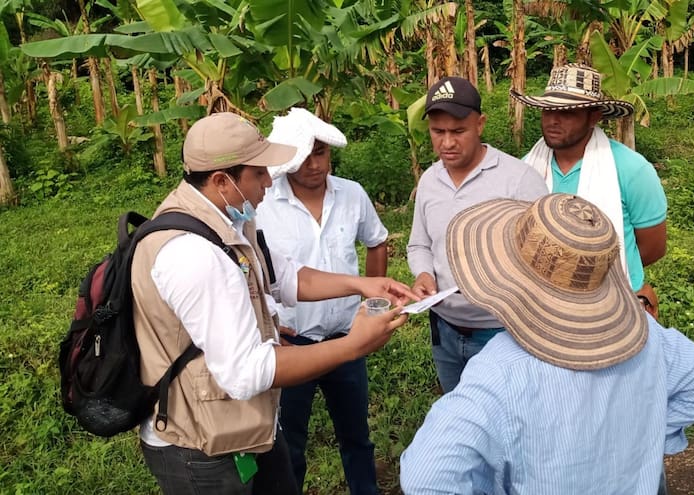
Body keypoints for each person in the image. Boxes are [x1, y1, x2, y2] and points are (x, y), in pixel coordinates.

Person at [131, 112, 416, 495]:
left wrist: (362, 283)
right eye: (260, 173)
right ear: (222, 181)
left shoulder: (229, 223)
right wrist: (352, 346)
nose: (270, 180)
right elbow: (246, 372)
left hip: (238, 423)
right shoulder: (194, 254)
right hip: (199, 445)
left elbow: (284, 276)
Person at [400, 194, 694, 494]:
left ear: (505, 274)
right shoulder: (645, 333)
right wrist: (640, 438)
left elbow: (425, 477)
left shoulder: (500, 370)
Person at [255, 108, 387, 495]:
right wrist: (270, 321)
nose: (315, 165)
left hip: (346, 337)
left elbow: (376, 240)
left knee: (357, 436)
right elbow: (255, 271)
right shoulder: (263, 204)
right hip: (291, 343)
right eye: (305, 156)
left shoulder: (351, 194)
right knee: (289, 442)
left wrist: (372, 300)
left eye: (321, 153)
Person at [407, 76, 548, 393]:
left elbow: (544, 257)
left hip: (500, 332)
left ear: (480, 124)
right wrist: (423, 275)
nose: (447, 143)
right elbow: (419, 244)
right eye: (437, 132)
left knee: (507, 420)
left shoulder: (519, 181)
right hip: (444, 328)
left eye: (458, 131)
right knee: (458, 416)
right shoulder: (430, 180)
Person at [512, 63, 668, 311]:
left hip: (616, 304)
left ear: (594, 116)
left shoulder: (632, 170)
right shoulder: (524, 170)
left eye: (568, 112)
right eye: (548, 110)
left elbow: (652, 248)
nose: (553, 120)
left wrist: (592, 271)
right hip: (541, 304)